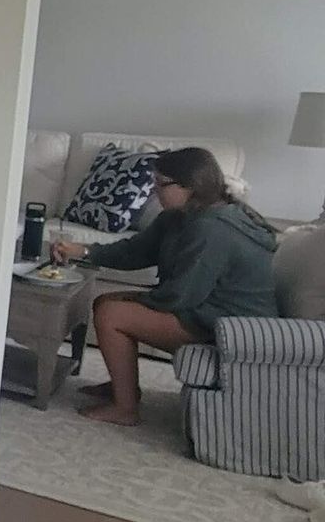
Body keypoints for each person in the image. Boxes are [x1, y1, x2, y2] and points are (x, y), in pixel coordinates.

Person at [50, 146, 279, 427]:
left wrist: (134, 302)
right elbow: (133, 252)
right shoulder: (177, 217)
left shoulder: (213, 228)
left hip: (230, 326)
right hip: (203, 308)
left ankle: (125, 409)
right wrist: (83, 251)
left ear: (191, 186)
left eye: (161, 184)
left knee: (112, 313)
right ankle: (124, 387)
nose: (154, 191)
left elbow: (181, 295)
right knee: (105, 302)